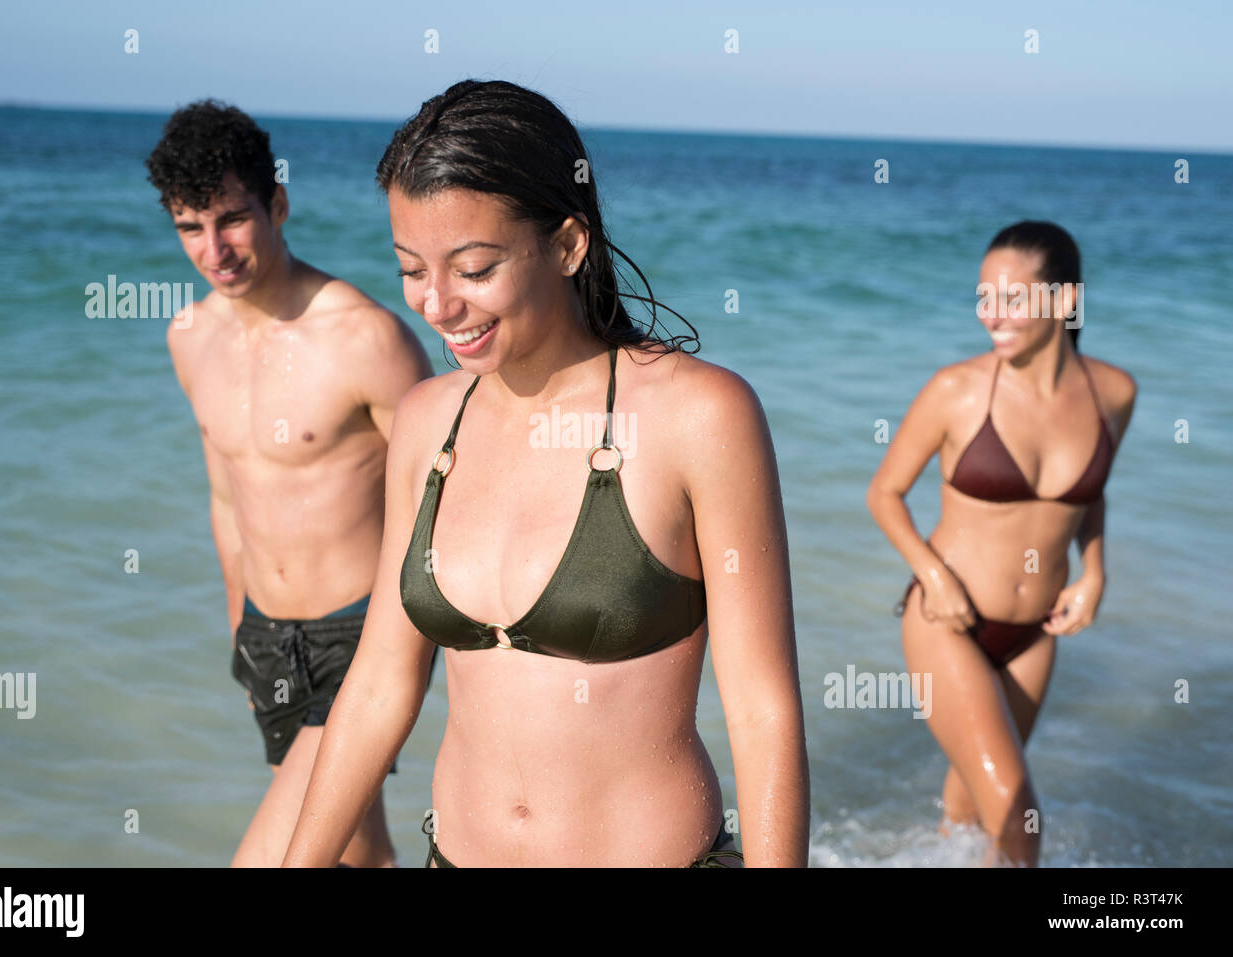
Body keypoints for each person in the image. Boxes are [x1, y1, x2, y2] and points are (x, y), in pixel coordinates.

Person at [281, 79, 809, 867]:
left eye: (473, 266)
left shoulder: (699, 415)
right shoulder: (428, 421)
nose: (437, 303)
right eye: (412, 269)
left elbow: (763, 709)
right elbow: (382, 682)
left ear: (567, 244)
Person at [147, 99, 433, 866]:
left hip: (362, 636)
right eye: (189, 227)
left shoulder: (364, 338)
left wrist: (412, 646)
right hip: (269, 639)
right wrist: (242, 626)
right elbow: (224, 495)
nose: (214, 249)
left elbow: (445, 492)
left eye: (232, 219)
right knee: (354, 850)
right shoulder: (190, 338)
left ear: (277, 202)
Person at [866, 221, 1136, 866]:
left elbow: (1088, 495)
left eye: (1012, 298)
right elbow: (884, 494)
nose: (993, 313)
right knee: (1020, 816)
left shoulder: (1114, 394)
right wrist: (933, 577)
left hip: (1034, 633)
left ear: (1066, 301)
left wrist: (1094, 571)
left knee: (973, 807)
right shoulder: (956, 390)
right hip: (947, 622)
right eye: (984, 296)